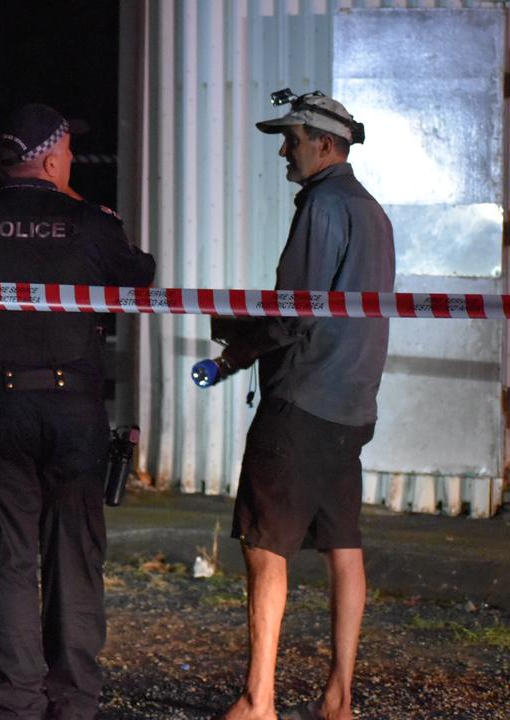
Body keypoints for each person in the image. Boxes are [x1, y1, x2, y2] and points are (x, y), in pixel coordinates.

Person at [0, 102, 156, 720]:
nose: (73, 157)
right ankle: (74, 703)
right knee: (75, 558)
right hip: (71, 408)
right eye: (68, 151)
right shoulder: (89, 222)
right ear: (51, 158)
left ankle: (15, 705)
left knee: (6, 561)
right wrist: (75, 209)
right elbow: (140, 277)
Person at [213, 91, 395, 720]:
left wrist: (235, 340)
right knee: (344, 546)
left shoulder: (321, 206)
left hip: (302, 401)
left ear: (323, 142)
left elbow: (295, 314)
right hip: (353, 405)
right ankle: (338, 701)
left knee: (265, 547)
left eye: (291, 139)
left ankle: (257, 701)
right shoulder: (371, 211)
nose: (284, 151)